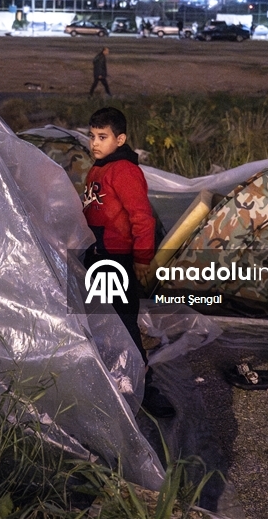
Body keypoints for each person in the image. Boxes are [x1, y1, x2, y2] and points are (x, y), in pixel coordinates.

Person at [81, 107, 175, 418]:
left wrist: (142, 259)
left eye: (103, 137)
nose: (95, 143)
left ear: (120, 139)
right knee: (103, 321)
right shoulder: (99, 168)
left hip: (117, 258)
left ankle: (143, 387)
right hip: (99, 255)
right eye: (92, 136)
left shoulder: (123, 170)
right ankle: (114, 379)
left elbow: (142, 218)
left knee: (123, 323)